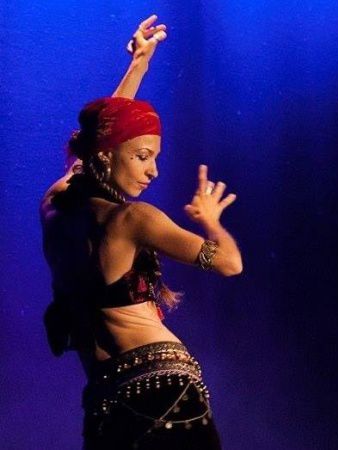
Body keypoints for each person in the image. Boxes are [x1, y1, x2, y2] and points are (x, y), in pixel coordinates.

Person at [39, 14, 243, 450]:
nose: (154, 171)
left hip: (107, 401)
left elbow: (101, 140)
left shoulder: (55, 205)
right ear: (108, 156)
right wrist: (210, 220)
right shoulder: (133, 220)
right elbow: (229, 263)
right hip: (164, 389)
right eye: (143, 156)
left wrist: (138, 66)